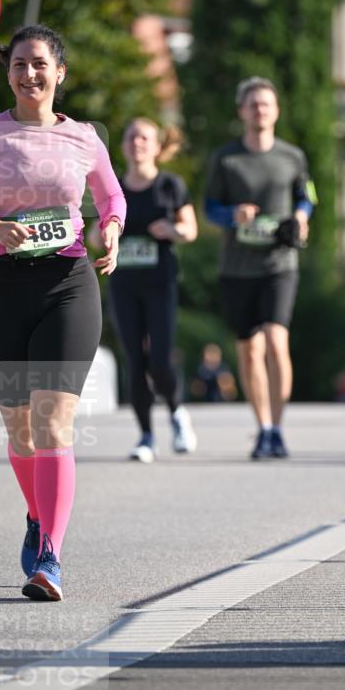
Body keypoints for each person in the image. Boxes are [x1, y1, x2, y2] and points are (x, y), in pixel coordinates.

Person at [0, 23, 125, 601]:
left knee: (55, 423)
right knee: (20, 429)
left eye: (40, 65)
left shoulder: (83, 137)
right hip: (2, 286)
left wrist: (112, 227)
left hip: (67, 284)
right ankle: (37, 514)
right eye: (20, 64)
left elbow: (111, 194)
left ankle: (50, 556)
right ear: (9, 73)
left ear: (60, 74)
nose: (29, 74)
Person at [204, 76, 316, 459]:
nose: (260, 110)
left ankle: (280, 429)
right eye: (253, 105)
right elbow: (209, 208)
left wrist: (301, 216)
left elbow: (308, 195)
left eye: (266, 104)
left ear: (276, 111)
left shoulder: (292, 156)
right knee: (249, 351)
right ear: (242, 111)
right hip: (237, 267)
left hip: (279, 264)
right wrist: (231, 214)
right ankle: (263, 426)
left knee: (275, 341)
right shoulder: (226, 158)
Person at [89, 118, 198, 463]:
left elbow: (190, 229)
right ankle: (146, 436)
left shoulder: (170, 185)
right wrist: (106, 235)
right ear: (122, 146)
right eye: (131, 136)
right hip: (124, 284)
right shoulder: (114, 188)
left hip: (160, 283)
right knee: (135, 359)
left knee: (161, 360)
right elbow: (93, 235)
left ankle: (177, 412)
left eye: (144, 138)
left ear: (156, 146)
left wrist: (172, 229)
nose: (137, 143)